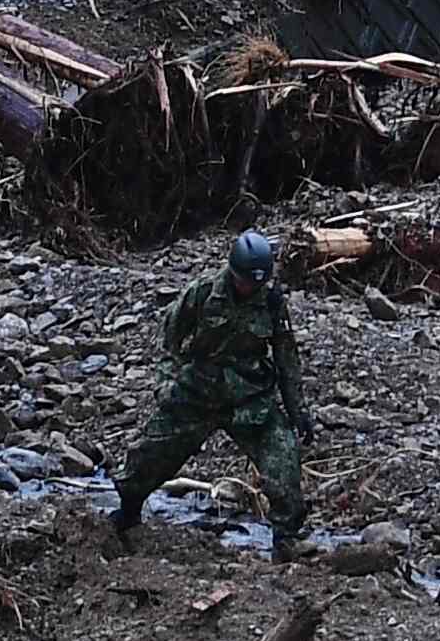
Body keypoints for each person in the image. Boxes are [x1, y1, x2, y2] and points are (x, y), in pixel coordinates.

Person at [114, 227, 309, 558]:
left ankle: (285, 540)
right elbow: (169, 340)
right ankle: (127, 511)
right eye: (246, 280)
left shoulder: (272, 303)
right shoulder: (203, 292)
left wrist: (298, 411)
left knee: (284, 460)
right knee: (150, 453)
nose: (250, 287)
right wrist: (166, 385)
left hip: (250, 400)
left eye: (257, 282)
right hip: (198, 392)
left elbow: (286, 358)